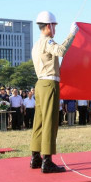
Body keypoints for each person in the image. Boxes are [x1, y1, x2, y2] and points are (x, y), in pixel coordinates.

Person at [30, 11, 78, 173]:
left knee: (39, 121)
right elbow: (61, 51)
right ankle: (47, 160)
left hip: (40, 84)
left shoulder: (36, 44)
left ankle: (35, 157)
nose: (55, 28)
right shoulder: (47, 41)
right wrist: (72, 34)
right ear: (49, 25)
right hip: (49, 83)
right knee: (50, 121)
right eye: (54, 25)